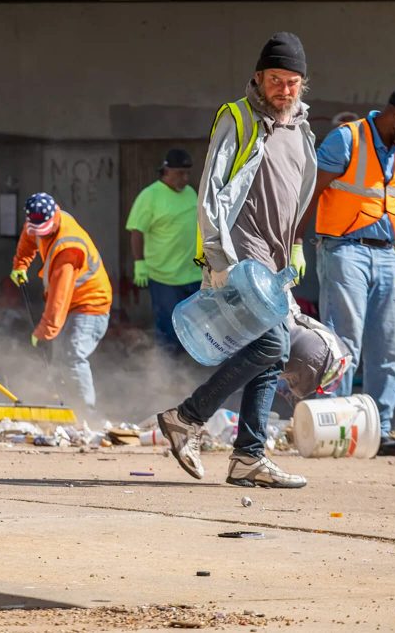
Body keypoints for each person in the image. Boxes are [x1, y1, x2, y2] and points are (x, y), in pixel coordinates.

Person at [157, 32, 316, 488]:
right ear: (258, 79)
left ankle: (247, 456)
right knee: (271, 347)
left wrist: (297, 245)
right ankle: (187, 418)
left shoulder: (300, 127)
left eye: (292, 82)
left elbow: (296, 196)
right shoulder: (239, 117)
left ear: (303, 84)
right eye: (275, 80)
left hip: (276, 258)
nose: (284, 89)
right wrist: (217, 257)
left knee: (271, 353)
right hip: (242, 254)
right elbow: (210, 191)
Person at [302, 88, 395, 457]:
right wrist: (295, 243)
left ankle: (380, 429)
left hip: (386, 255)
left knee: (387, 346)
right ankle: (338, 426)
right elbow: (309, 193)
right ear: (394, 115)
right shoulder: (347, 139)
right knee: (344, 343)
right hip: (343, 249)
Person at [9, 193, 112, 412]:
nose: (42, 236)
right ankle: (66, 409)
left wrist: (44, 333)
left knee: (72, 355)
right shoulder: (37, 222)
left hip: (90, 304)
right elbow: (29, 238)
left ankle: (86, 412)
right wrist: (20, 265)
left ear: (55, 213)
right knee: (59, 360)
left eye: (45, 231)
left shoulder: (69, 247)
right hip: (72, 304)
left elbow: (59, 297)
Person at [126, 148, 202, 355]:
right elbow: (136, 231)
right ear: (166, 171)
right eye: (180, 173)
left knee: (198, 330)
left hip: (193, 274)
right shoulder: (150, 196)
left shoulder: (191, 193)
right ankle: (166, 377)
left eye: (187, 173)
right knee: (169, 330)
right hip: (165, 277)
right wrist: (139, 263)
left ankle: (190, 373)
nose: (185, 178)